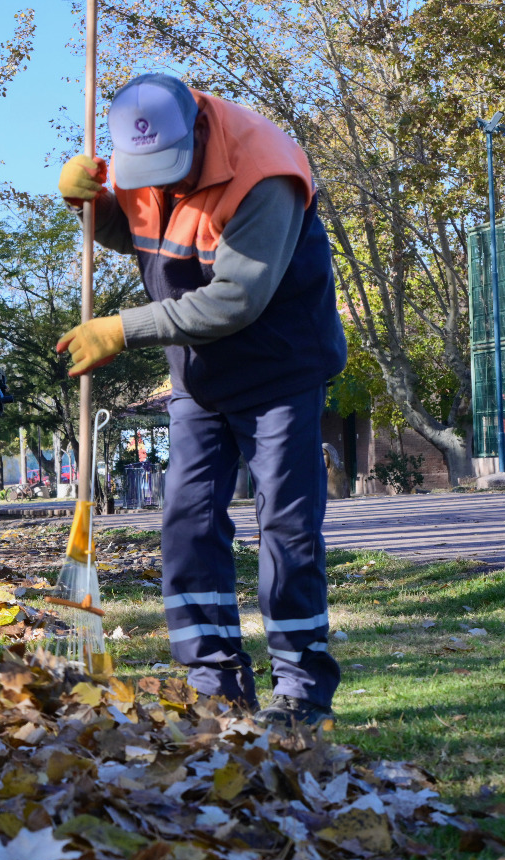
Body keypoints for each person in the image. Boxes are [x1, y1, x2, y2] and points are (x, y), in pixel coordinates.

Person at [56, 74, 347, 727]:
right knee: (186, 523)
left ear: (198, 130)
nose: (155, 184)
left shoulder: (262, 171)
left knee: (287, 527)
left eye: (168, 169)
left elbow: (235, 300)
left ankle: (302, 690)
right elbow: (144, 233)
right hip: (199, 375)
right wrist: (93, 207)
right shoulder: (139, 161)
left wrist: (121, 329)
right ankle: (215, 680)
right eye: (142, 174)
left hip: (280, 363)